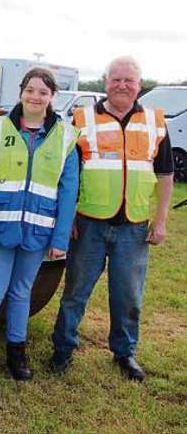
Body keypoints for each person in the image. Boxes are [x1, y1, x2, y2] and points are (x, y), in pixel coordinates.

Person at [50, 56, 174, 381]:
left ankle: (124, 352)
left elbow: (165, 175)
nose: (122, 85)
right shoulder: (82, 119)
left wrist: (160, 221)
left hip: (134, 227)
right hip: (88, 224)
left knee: (128, 296)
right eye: (116, 79)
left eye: (128, 80)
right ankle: (63, 348)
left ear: (139, 85)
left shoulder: (154, 122)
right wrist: (68, 217)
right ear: (105, 82)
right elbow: (68, 175)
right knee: (75, 292)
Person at [0, 67, 80, 380]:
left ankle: (16, 353)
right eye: (30, 90)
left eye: (43, 92)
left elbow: (68, 192)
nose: (35, 97)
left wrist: (60, 239)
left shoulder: (66, 137)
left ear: (52, 96)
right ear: (21, 92)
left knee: (21, 292)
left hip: (38, 231)